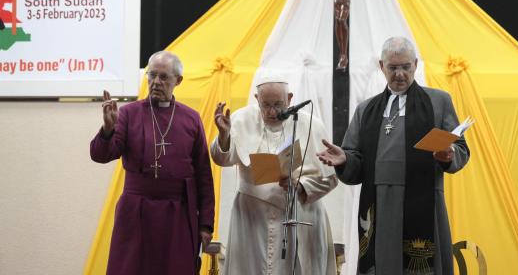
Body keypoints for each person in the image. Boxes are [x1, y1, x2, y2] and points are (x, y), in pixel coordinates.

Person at [317, 37, 470, 275]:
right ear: (382, 66)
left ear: (415, 65)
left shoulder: (438, 101)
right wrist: (345, 160)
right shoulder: (366, 109)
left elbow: (461, 148)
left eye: (405, 67)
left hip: (423, 199)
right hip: (379, 202)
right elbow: (354, 154)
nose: (399, 74)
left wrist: (449, 155)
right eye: (393, 67)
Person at [90, 51, 215, 275]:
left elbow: (203, 174)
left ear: (178, 80)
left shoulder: (192, 118)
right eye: (152, 75)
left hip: (177, 215)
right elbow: (101, 155)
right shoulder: (129, 113)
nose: (156, 82)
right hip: (136, 213)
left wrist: (205, 224)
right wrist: (108, 130)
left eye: (164, 77)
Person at [210, 75, 338, 275]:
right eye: (265, 105)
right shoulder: (241, 119)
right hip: (252, 218)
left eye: (278, 105)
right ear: (256, 99)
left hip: (298, 213)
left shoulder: (311, 124)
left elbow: (330, 177)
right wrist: (224, 136)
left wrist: (301, 185)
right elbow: (222, 159)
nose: (271, 112)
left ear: (290, 98)